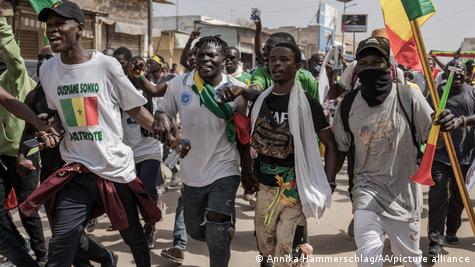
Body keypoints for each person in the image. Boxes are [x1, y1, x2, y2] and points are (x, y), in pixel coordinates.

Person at [19, 2, 162, 266]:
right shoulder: (48, 70)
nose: (53, 31)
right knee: (61, 242)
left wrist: (166, 133)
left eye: (60, 24)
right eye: (49, 26)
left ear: (80, 29)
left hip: (113, 168)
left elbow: (134, 109)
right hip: (76, 170)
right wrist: (53, 131)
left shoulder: (105, 65)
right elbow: (62, 116)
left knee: (133, 238)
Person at [332, 36, 457, 267]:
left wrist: (444, 125)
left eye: (376, 62)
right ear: (357, 69)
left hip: (404, 197)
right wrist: (327, 182)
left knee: (410, 261)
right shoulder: (347, 105)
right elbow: (339, 148)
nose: (370, 67)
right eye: (364, 63)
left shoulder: (408, 96)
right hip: (366, 190)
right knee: (368, 259)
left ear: (388, 66)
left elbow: (433, 141)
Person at [18, 46, 118, 267]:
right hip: (48, 174)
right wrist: (24, 154)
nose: (44, 62)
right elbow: (29, 135)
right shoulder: (33, 96)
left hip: (75, 172)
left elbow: (90, 127)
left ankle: (104, 257)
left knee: (65, 236)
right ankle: (104, 258)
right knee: (63, 235)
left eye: (49, 57)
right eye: (40, 57)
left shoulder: (76, 90)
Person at [155, 35, 247, 267]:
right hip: (191, 172)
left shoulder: (237, 91)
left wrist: (248, 172)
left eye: (211, 55)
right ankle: (223, 231)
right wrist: (171, 136)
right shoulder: (179, 84)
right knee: (196, 231)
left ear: (224, 59)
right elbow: (162, 113)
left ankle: (221, 241)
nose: (204, 59)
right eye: (200, 54)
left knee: (216, 229)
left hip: (224, 169)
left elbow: (244, 137)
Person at [249, 42, 338, 266]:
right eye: (272, 59)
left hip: (295, 189)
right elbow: (252, 143)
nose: (277, 63)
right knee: (265, 246)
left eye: (284, 59)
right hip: (265, 187)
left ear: (297, 65)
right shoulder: (261, 101)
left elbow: (330, 144)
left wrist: (328, 181)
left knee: (286, 250)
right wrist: (248, 173)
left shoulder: (307, 104)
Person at [0, 15, 47, 265]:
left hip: (25, 153)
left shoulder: (16, 79)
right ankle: (19, 246)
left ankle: (42, 255)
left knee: (27, 210)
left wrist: (1, 23)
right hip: (1, 157)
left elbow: (14, 57)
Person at [427, 59, 475, 258]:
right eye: (451, 73)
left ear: (466, 74)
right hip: (440, 156)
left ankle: (452, 229)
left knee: (458, 198)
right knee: (438, 197)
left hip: (464, 156)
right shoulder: (436, 92)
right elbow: (423, 114)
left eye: (459, 72)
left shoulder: (472, 93)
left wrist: (461, 121)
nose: (455, 76)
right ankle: (435, 241)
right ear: (445, 75)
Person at [122, 55, 165, 249]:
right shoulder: (119, 90)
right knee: (131, 194)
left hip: (150, 147)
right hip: (128, 150)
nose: (136, 70)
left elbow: (165, 115)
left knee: (148, 187)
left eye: (140, 67)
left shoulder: (153, 90)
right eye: (133, 66)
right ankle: (146, 216)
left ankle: (150, 224)